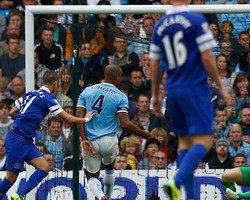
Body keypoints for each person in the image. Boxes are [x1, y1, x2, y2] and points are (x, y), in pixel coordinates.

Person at [150, 0, 229, 199]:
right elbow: (207, 57)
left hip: (173, 90)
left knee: (185, 142)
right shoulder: (195, 20)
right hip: (194, 87)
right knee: (206, 139)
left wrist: (156, 95)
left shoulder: (160, 25)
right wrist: (220, 86)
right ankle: (175, 183)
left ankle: (190, 196)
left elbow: (154, 63)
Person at [0, 70, 94, 200]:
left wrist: (31, 122)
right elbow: (69, 119)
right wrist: (86, 119)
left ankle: (19, 195)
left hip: (26, 140)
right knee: (11, 177)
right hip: (17, 139)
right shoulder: (49, 99)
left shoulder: (32, 93)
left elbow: (13, 110)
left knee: (44, 167)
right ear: (56, 83)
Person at [76, 64, 150, 200]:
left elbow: (79, 117)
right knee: (109, 167)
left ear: (105, 75)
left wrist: (83, 139)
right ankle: (108, 195)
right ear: (117, 77)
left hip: (90, 141)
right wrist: (145, 133)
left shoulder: (87, 91)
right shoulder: (120, 96)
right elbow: (125, 124)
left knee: (91, 176)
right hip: (109, 140)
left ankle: (101, 196)